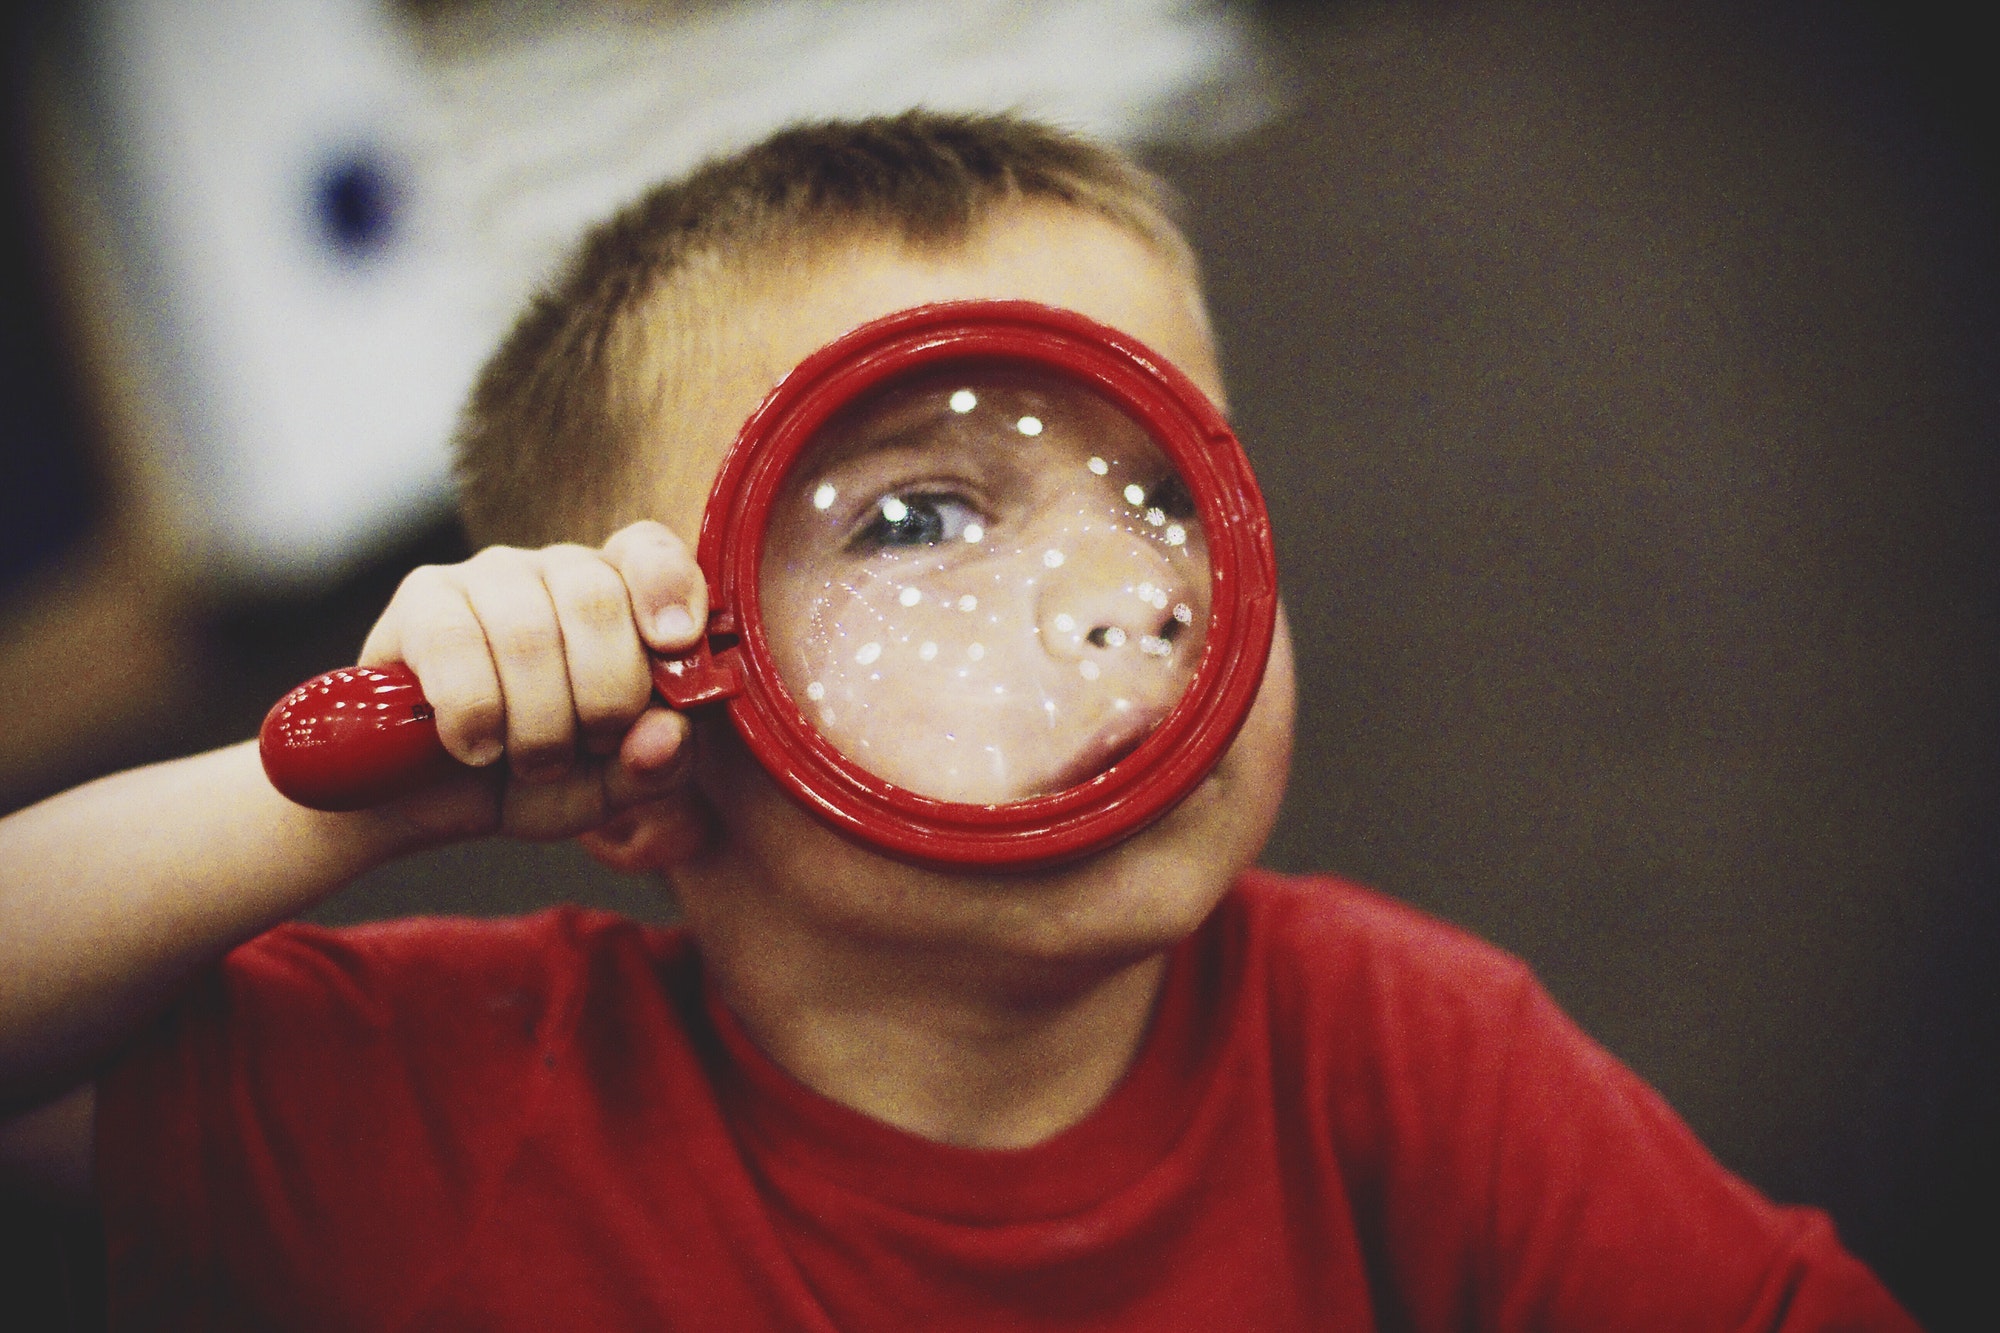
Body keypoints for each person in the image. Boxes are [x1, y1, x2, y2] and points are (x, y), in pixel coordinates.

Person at [0, 112, 1916, 1329]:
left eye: (1166, 490)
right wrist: (328, 797)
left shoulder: (1394, 1051)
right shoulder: (452, 1104)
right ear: (663, 689)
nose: (1132, 592)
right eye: (918, 513)